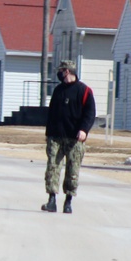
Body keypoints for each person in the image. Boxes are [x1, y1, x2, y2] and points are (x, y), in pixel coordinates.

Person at [42, 60, 96, 214]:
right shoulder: (58, 90)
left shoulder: (84, 91)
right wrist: (48, 134)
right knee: (52, 167)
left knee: (73, 169)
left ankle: (68, 201)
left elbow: (90, 114)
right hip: (56, 137)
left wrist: (84, 130)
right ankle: (51, 200)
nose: (59, 73)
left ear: (67, 71)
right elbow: (51, 113)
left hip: (75, 138)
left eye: (61, 70)